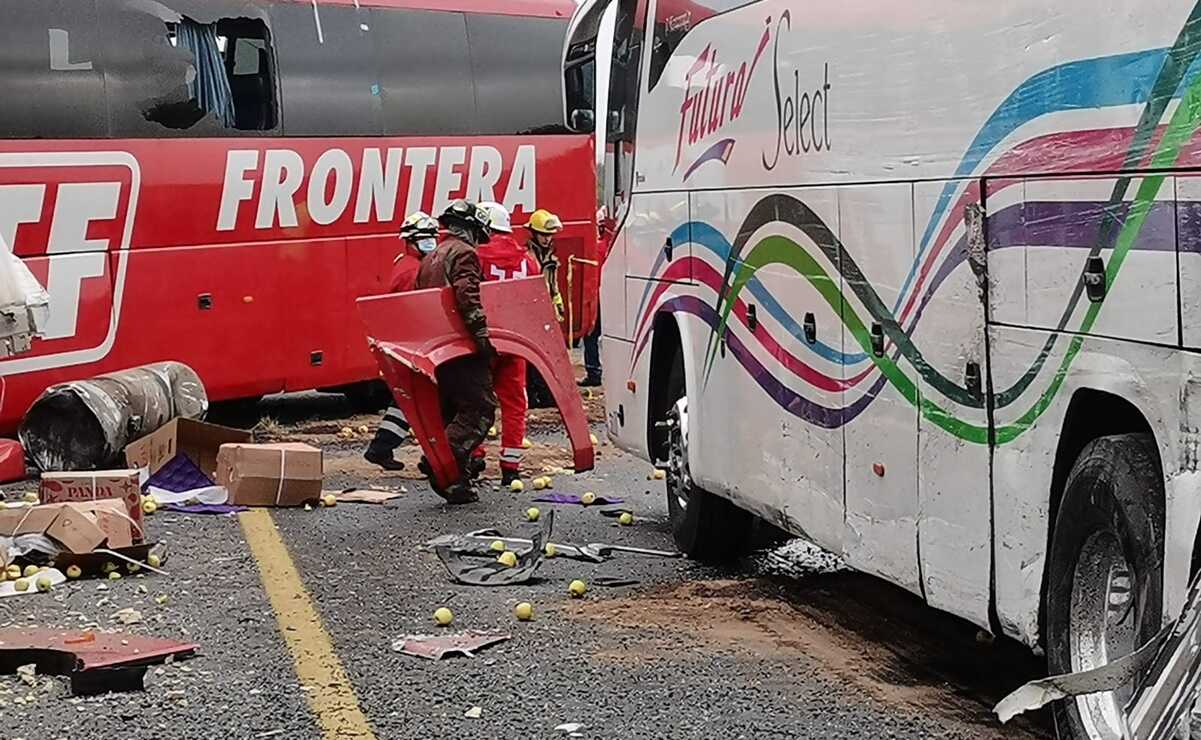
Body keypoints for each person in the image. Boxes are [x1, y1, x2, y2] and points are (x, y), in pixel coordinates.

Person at [414, 199, 498, 503]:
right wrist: (481, 337)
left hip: (438, 348)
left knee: (453, 410)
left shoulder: (431, 256)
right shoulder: (464, 253)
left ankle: (456, 482)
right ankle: (442, 461)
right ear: (473, 229)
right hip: (460, 345)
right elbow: (467, 295)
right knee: (481, 408)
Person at [364, 211, 439, 471]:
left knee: (405, 401)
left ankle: (381, 448)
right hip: (413, 347)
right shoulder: (412, 271)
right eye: (424, 238)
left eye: (432, 237)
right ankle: (433, 459)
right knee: (430, 403)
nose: (430, 243)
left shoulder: (409, 264)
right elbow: (416, 312)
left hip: (406, 347)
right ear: (410, 241)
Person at [477, 201, 541, 486]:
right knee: (515, 403)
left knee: (476, 402)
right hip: (516, 343)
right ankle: (511, 465)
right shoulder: (528, 260)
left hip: (482, 341)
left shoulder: (475, 256)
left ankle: (475, 457)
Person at [524, 209, 565, 320]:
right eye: (543, 234)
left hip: (546, 310)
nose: (547, 239)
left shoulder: (552, 260)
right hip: (530, 310)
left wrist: (558, 306)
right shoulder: (525, 257)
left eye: (550, 235)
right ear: (534, 233)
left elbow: (553, 286)